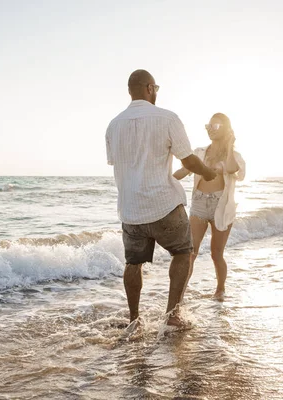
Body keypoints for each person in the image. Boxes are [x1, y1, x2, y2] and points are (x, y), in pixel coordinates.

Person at [105, 69, 217, 328]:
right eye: (155, 87)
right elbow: (187, 159)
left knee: (133, 263)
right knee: (182, 252)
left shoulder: (114, 124)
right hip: (163, 205)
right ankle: (172, 315)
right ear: (148, 88)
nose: (156, 92)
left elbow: (116, 162)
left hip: (131, 210)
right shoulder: (167, 118)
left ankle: (134, 319)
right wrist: (208, 172)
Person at [173, 113, 246, 301]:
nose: (211, 129)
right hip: (199, 204)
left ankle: (220, 289)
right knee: (190, 253)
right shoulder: (199, 152)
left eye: (216, 126)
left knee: (216, 254)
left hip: (220, 206)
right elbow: (184, 170)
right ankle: (180, 294)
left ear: (227, 129)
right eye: (209, 125)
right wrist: (164, 180)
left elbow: (230, 168)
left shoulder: (235, 156)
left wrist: (229, 146)